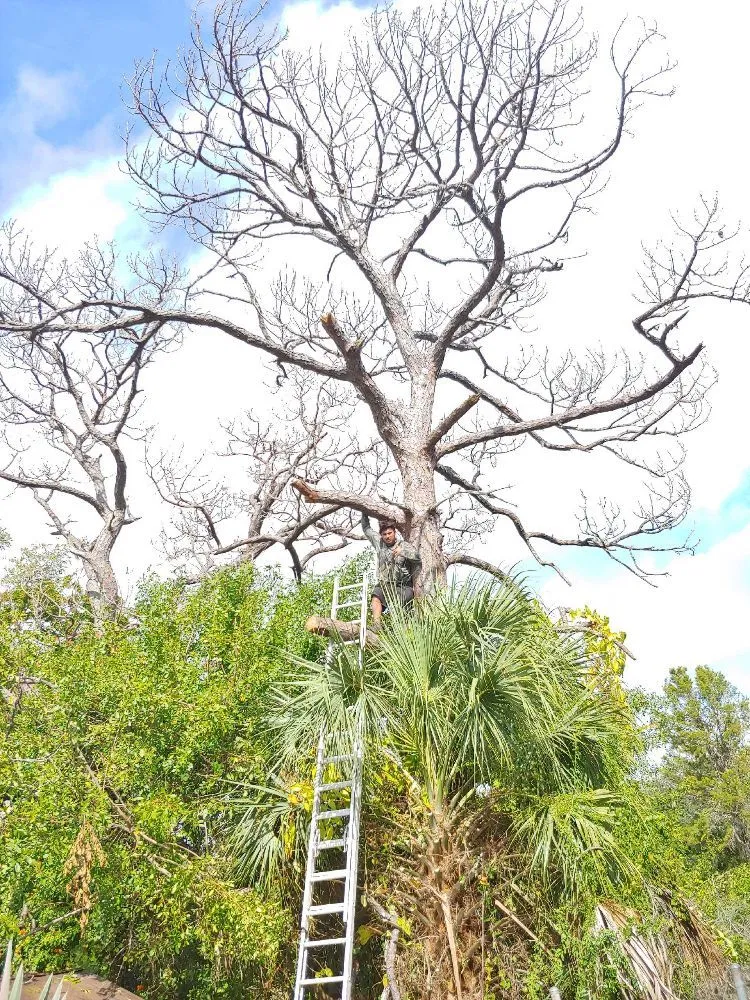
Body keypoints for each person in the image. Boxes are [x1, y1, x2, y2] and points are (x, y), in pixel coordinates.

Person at [361, 512, 422, 626]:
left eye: (390, 533)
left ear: (394, 533)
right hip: (386, 584)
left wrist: (402, 552)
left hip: (403, 586)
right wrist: (364, 512)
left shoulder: (403, 545)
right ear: (381, 535)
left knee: (400, 610)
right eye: (384, 534)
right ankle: (377, 625)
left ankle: (404, 629)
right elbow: (366, 529)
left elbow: (418, 558)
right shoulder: (379, 542)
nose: (387, 536)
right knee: (376, 596)